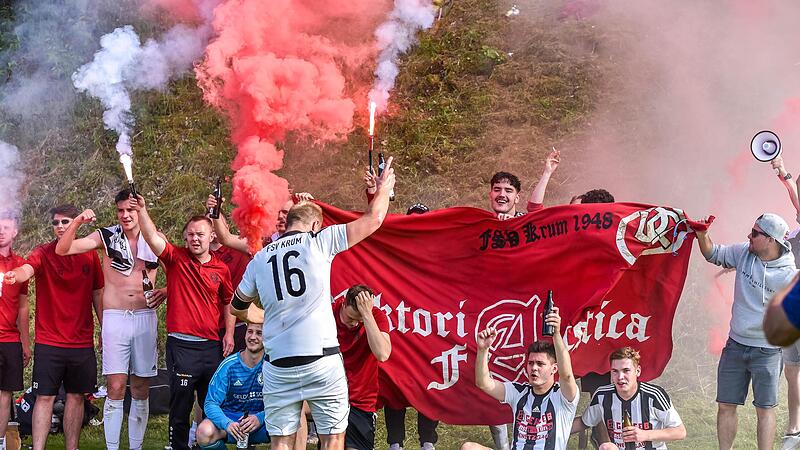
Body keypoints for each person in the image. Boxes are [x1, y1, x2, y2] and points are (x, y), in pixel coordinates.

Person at [230, 156, 396, 450]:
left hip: (278, 362)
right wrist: (383, 189)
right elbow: (374, 220)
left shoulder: (260, 258)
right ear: (316, 223)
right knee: (333, 438)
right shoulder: (319, 241)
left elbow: (237, 306)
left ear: (289, 222)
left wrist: (260, 315)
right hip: (321, 358)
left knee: (280, 441)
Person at [53, 189, 166, 450]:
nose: (125, 215)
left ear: (140, 210)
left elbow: (182, 270)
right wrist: (78, 221)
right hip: (115, 316)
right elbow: (63, 249)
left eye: (130, 210)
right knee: (115, 386)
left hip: (144, 316)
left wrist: (166, 290)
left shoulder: (155, 237)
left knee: (140, 387)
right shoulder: (107, 236)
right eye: (121, 210)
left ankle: (136, 446)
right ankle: (112, 447)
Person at [128, 195, 235, 450]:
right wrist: (142, 210)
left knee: (211, 404)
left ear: (212, 237)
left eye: (200, 234)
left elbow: (228, 302)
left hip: (211, 347)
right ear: (185, 237)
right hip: (182, 347)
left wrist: (228, 334)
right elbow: (153, 237)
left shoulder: (221, 269)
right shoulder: (176, 258)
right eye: (190, 234)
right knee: (181, 407)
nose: (195, 239)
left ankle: (208, 445)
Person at [3, 204, 104, 450]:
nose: (59, 226)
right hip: (49, 342)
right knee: (44, 397)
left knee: (76, 397)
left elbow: (98, 294)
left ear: (75, 225)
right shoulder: (43, 252)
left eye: (65, 222)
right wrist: (16, 275)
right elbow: (27, 269)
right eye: (55, 223)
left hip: (81, 342)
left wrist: (105, 330)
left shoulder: (89, 254)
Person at [695, 212, 798, 450]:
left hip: (768, 352)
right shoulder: (743, 252)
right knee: (725, 405)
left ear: (771, 240)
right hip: (735, 345)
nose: (748, 236)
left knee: (765, 409)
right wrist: (703, 234)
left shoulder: (788, 276)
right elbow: (713, 253)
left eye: (755, 233)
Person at [461, 305, 579, 450]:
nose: (534, 368)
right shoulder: (519, 391)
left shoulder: (563, 396)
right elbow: (483, 383)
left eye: (540, 364)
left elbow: (566, 376)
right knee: (469, 447)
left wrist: (556, 335)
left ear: (554, 369)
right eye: (531, 363)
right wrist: (483, 349)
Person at [383, 202, 440, 450]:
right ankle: (395, 441)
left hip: (428, 330)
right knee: (395, 382)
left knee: (429, 384)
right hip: (399, 327)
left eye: (422, 221)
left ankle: (428, 440)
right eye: (411, 221)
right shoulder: (392, 251)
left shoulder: (439, 256)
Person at [572, 347, 686, 449]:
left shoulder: (654, 395)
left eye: (626, 371)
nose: (620, 377)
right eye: (615, 371)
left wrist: (646, 435)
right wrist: (555, 428)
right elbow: (584, 422)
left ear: (638, 371)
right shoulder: (602, 396)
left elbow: (680, 432)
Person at [767, 156, 800, 450]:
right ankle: (794, 428)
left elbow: (794, 195)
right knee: (792, 370)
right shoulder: (792, 236)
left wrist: (783, 171)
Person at [334, 285, 391, 450]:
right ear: (343, 304)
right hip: (331, 396)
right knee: (297, 407)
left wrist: (367, 315)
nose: (354, 324)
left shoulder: (375, 317)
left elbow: (383, 354)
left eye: (358, 320)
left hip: (361, 401)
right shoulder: (329, 312)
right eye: (350, 318)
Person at [196, 322, 270, 449]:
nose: (253, 337)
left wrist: (260, 417)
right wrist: (227, 423)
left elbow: (281, 401)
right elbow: (210, 403)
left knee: (290, 425)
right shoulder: (229, 365)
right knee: (204, 432)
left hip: (263, 421)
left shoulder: (271, 365)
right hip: (232, 421)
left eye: (259, 333)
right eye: (250, 331)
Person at [0, 213, 30, 450]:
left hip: (10, 339)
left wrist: (25, 342)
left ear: (14, 231)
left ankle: (1, 442)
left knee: (5, 394)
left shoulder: (21, 265)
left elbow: (22, 306)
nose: (1, 231)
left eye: (5, 227)